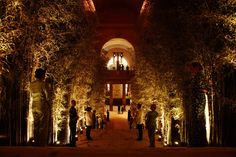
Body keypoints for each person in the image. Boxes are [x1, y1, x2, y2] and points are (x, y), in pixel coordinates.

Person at [189, 62, 208, 146]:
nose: (190, 70)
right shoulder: (197, 76)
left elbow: (205, 88)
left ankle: (198, 142)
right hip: (197, 100)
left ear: (196, 67)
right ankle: (199, 141)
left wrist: (202, 90)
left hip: (198, 100)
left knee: (198, 119)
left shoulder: (199, 76)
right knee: (197, 120)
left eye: (192, 68)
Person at [29, 68, 50, 146]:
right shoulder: (43, 84)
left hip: (34, 105)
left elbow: (31, 95)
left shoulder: (31, 84)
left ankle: (36, 142)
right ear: (42, 75)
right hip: (42, 105)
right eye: (44, 75)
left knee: (36, 125)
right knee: (43, 126)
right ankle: (41, 144)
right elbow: (48, 96)